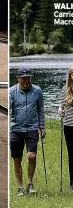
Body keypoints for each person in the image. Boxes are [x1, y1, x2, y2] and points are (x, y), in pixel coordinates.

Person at [9, 67, 46, 196]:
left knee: (31, 156)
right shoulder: (11, 91)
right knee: (16, 159)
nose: (26, 80)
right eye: (24, 78)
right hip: (16, 129)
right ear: (18, 78)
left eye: (28, 78)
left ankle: (30, 184)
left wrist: (41, 126)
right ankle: (20, 186)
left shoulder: (37, 91)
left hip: (32, 128)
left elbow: (40, 109)